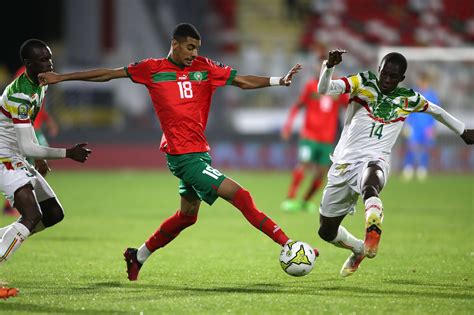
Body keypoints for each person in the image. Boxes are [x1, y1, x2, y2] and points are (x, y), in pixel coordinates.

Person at [38, 23, 316, 281]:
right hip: (184, 157)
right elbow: (107, 74)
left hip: (198, 152)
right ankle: (289, 245)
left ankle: (138, 255)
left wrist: (279, 80)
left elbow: (241, 81)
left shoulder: (205, 68)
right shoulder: (151, 69)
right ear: (175, 44)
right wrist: (61, 77)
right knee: (240, 195)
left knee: (187, 216)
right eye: (190, 47)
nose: (194, 53)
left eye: (197, 48)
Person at [316, 49, 473, 277]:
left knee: (371, 185)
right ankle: (359, 249)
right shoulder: (363, 82)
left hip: (374, 159)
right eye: (385, 74)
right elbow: (324, 89)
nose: (388, 80)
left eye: (393, 76)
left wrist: (462, 131)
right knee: (326, 231)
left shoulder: (408, 98)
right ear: (379, 70)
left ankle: (373, 219)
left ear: (402, 78)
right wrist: (328, 66)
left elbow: (436, 111)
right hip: (343, 163)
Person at [0, 39, 91, 270]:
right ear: (27, 63)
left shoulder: (42, 82)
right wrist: (68, 153)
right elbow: (28, 146)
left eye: (49, 58)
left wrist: (39, 159)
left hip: (16, 154)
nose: (49, 64)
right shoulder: (19, 94)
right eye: (42, 60)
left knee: (52, 214)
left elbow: (28, 125)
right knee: (31, 216)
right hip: (4, 158)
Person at [281, 72, 348, 213]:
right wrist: (288, 125)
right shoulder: (311, 86)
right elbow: (297, 105)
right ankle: (290, 198)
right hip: (309, 136)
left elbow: (348, 107)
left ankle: (305, 201)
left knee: (322, 172)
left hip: (327, 139)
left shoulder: (338, 88)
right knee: (304, 164)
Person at [3, 66, 60, 217]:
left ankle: (24, 202)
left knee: (39, 162)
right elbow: (20, 103)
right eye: (43, 59)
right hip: (26, 127)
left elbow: (38, 106)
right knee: (27, 161)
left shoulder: (41, 78)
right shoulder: (23, 75)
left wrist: (48, 120)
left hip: (35, 126)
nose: (48, 63)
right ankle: (17, 203)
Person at [402, 72, 440, 181]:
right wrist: (407, 125)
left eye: (424, 82)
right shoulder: (414, 94)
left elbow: (436, 113)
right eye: (421, 81)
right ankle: (408, 167)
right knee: (411, 147)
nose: (423, 83)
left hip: (426, 127)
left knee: (426, 148)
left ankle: (422, 168)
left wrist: (433, 127)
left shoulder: (432, 96)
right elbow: (408, 110)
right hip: (415, 126)